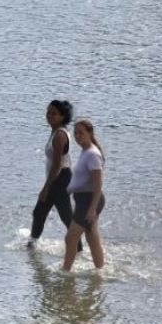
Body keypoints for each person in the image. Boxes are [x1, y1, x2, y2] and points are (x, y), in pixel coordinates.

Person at [29, 100, 82, 252]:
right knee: (39, 212)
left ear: (62, 116)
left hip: (60, 179)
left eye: (54, 113)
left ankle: (79, 250)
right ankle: (32, 245)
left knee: (66, 217)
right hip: (57, 178)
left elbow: (57, 164)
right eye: (48, 112)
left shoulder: (60, 135)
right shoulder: (55, 131)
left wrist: (46, 187)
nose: (49, 115)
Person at [63, 119, 107, 271]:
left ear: (90, 133)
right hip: (83, 199)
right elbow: (82, 179)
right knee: (91, 237)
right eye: (75, 133)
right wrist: (69, 190)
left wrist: (92, 208)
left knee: (70, 238)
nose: (77, 136)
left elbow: (98, 183)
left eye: (81, 133)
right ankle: (100, 270)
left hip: (90, 200)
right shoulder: (85, 151)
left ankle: (65, 271)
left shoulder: (93, 154)